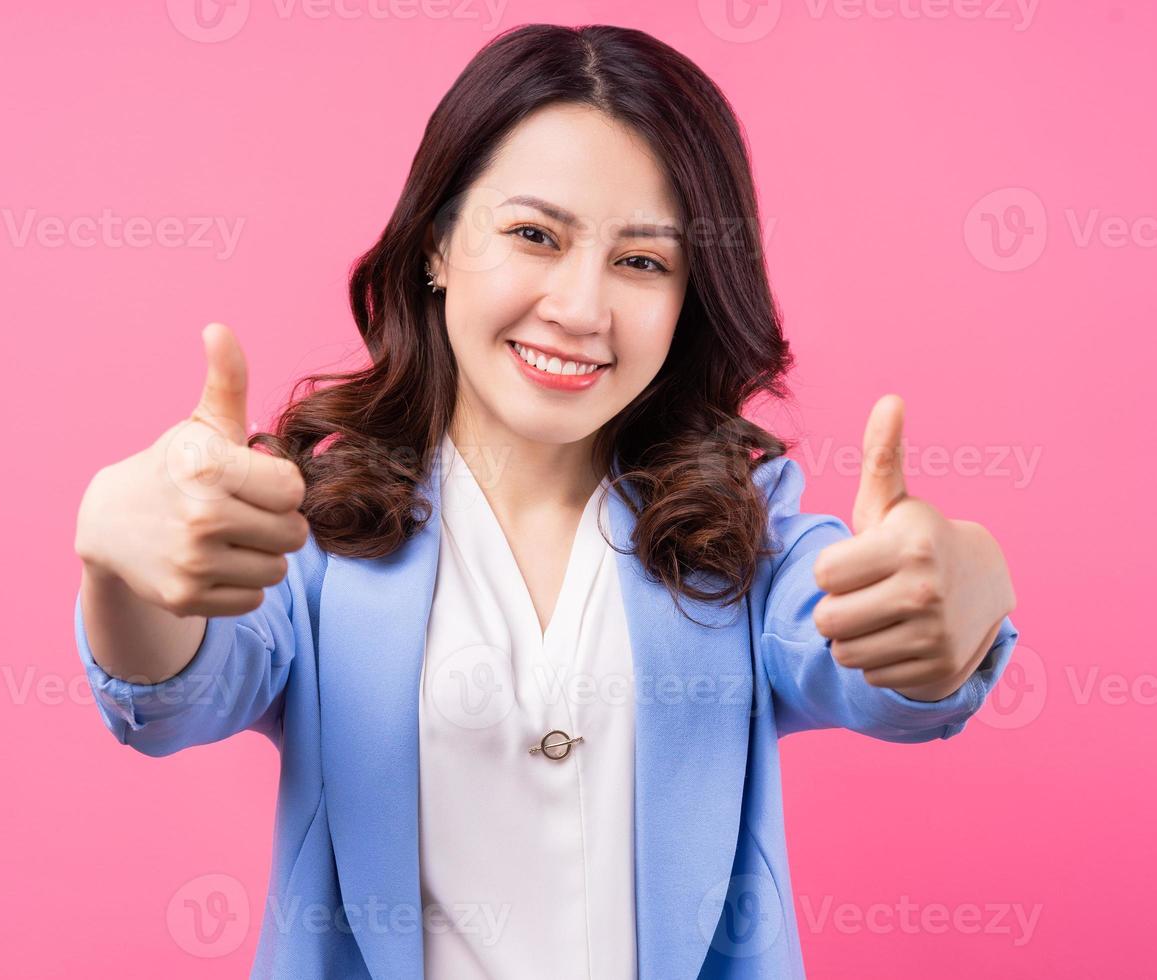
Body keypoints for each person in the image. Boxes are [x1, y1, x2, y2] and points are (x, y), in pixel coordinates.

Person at [71, 23, 1018, 980]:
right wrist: (121, 570)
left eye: (642, 261)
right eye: (534, 235)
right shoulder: (317, 522)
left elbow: (868, 660)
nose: (579, 308)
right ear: (437, 244)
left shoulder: (747, 526)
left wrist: (953, 613)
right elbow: (176, 697)